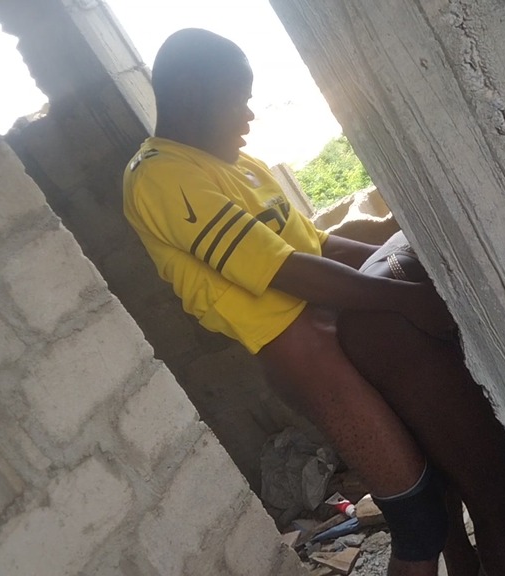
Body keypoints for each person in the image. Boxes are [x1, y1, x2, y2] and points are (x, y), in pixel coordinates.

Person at [122, 28, 451, 576]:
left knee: (442, 476)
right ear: (192, 93)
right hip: (307, 359)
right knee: (419, 520)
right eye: (237, 100)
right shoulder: (160, 175)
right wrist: (405, 300)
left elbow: (316, 245)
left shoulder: (240, 164)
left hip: (341, 331)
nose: (248, 115)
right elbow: (283, 269)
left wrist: (400, 258)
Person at [341, 233, 505, 576]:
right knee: (497, 503)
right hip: (401, 297)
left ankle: (477, 555)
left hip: (364, 311)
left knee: (448, 460)